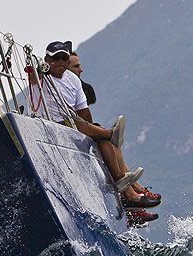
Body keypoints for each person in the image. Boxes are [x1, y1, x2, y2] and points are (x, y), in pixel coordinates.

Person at [29, 41, 160, 218]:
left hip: (72, 125)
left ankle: (124, 185)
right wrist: (35, 67)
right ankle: (112, 138)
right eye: (56, 58)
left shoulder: (72, 79)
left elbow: (84, 111)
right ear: (47, 59)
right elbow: (30, 74)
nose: (60, 61)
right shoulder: (41, 76)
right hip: (50, 125)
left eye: (63, 58)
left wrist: (90, 129)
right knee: (101, 134)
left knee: (99, 137)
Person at [67, 51, 162, 224]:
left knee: (110, 141)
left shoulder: (73, 84)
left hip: (78, 129)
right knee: (105, 138)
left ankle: (132, 193)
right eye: (76, 66)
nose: (81, 69)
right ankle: (131, 193)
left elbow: (84, 115)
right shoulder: (57, 83)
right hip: (72, 131)